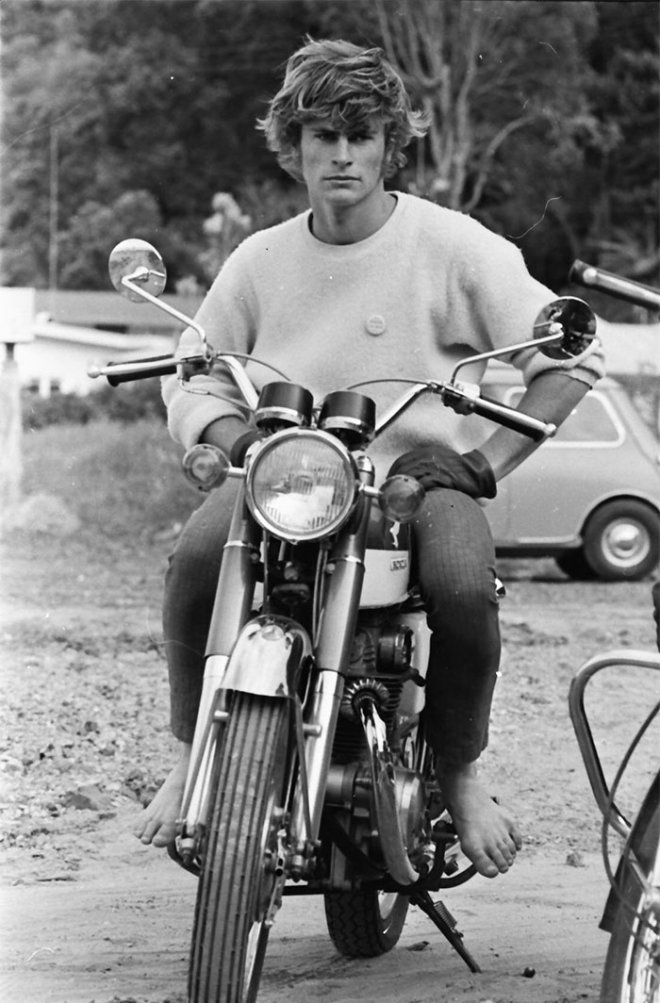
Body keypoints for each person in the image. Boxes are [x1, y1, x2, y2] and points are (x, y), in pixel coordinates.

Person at [134, 37, 604, 878]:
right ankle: (186, 759)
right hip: (290, 478)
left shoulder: (454, 245)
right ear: (294, 146)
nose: (343, 155)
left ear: (391, 144)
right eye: (324, 135)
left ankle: (459, 775)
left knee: (463, 585)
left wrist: (482, 464)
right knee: (197, 559)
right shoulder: (259, 258)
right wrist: (236, 439)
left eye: (362, 135)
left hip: (414, 483)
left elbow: (570, 359)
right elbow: (195, 368)